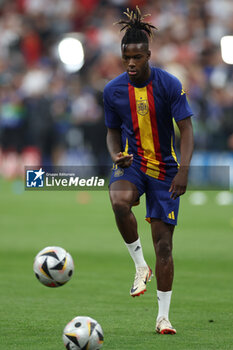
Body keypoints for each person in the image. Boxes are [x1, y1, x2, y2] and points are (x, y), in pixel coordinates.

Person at [103, 7, 194, 335]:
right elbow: (112, 131)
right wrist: (116, 155)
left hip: (166, 171)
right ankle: (140, 267)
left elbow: (186, 129)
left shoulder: (169, 84)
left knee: (165, 247)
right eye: (126, 57)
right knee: (118, 201)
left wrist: (183, 170)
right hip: (133, 164)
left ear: (148, 55)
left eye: (137, 57)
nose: (131, 63)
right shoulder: (113, 90)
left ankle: (163, 317)